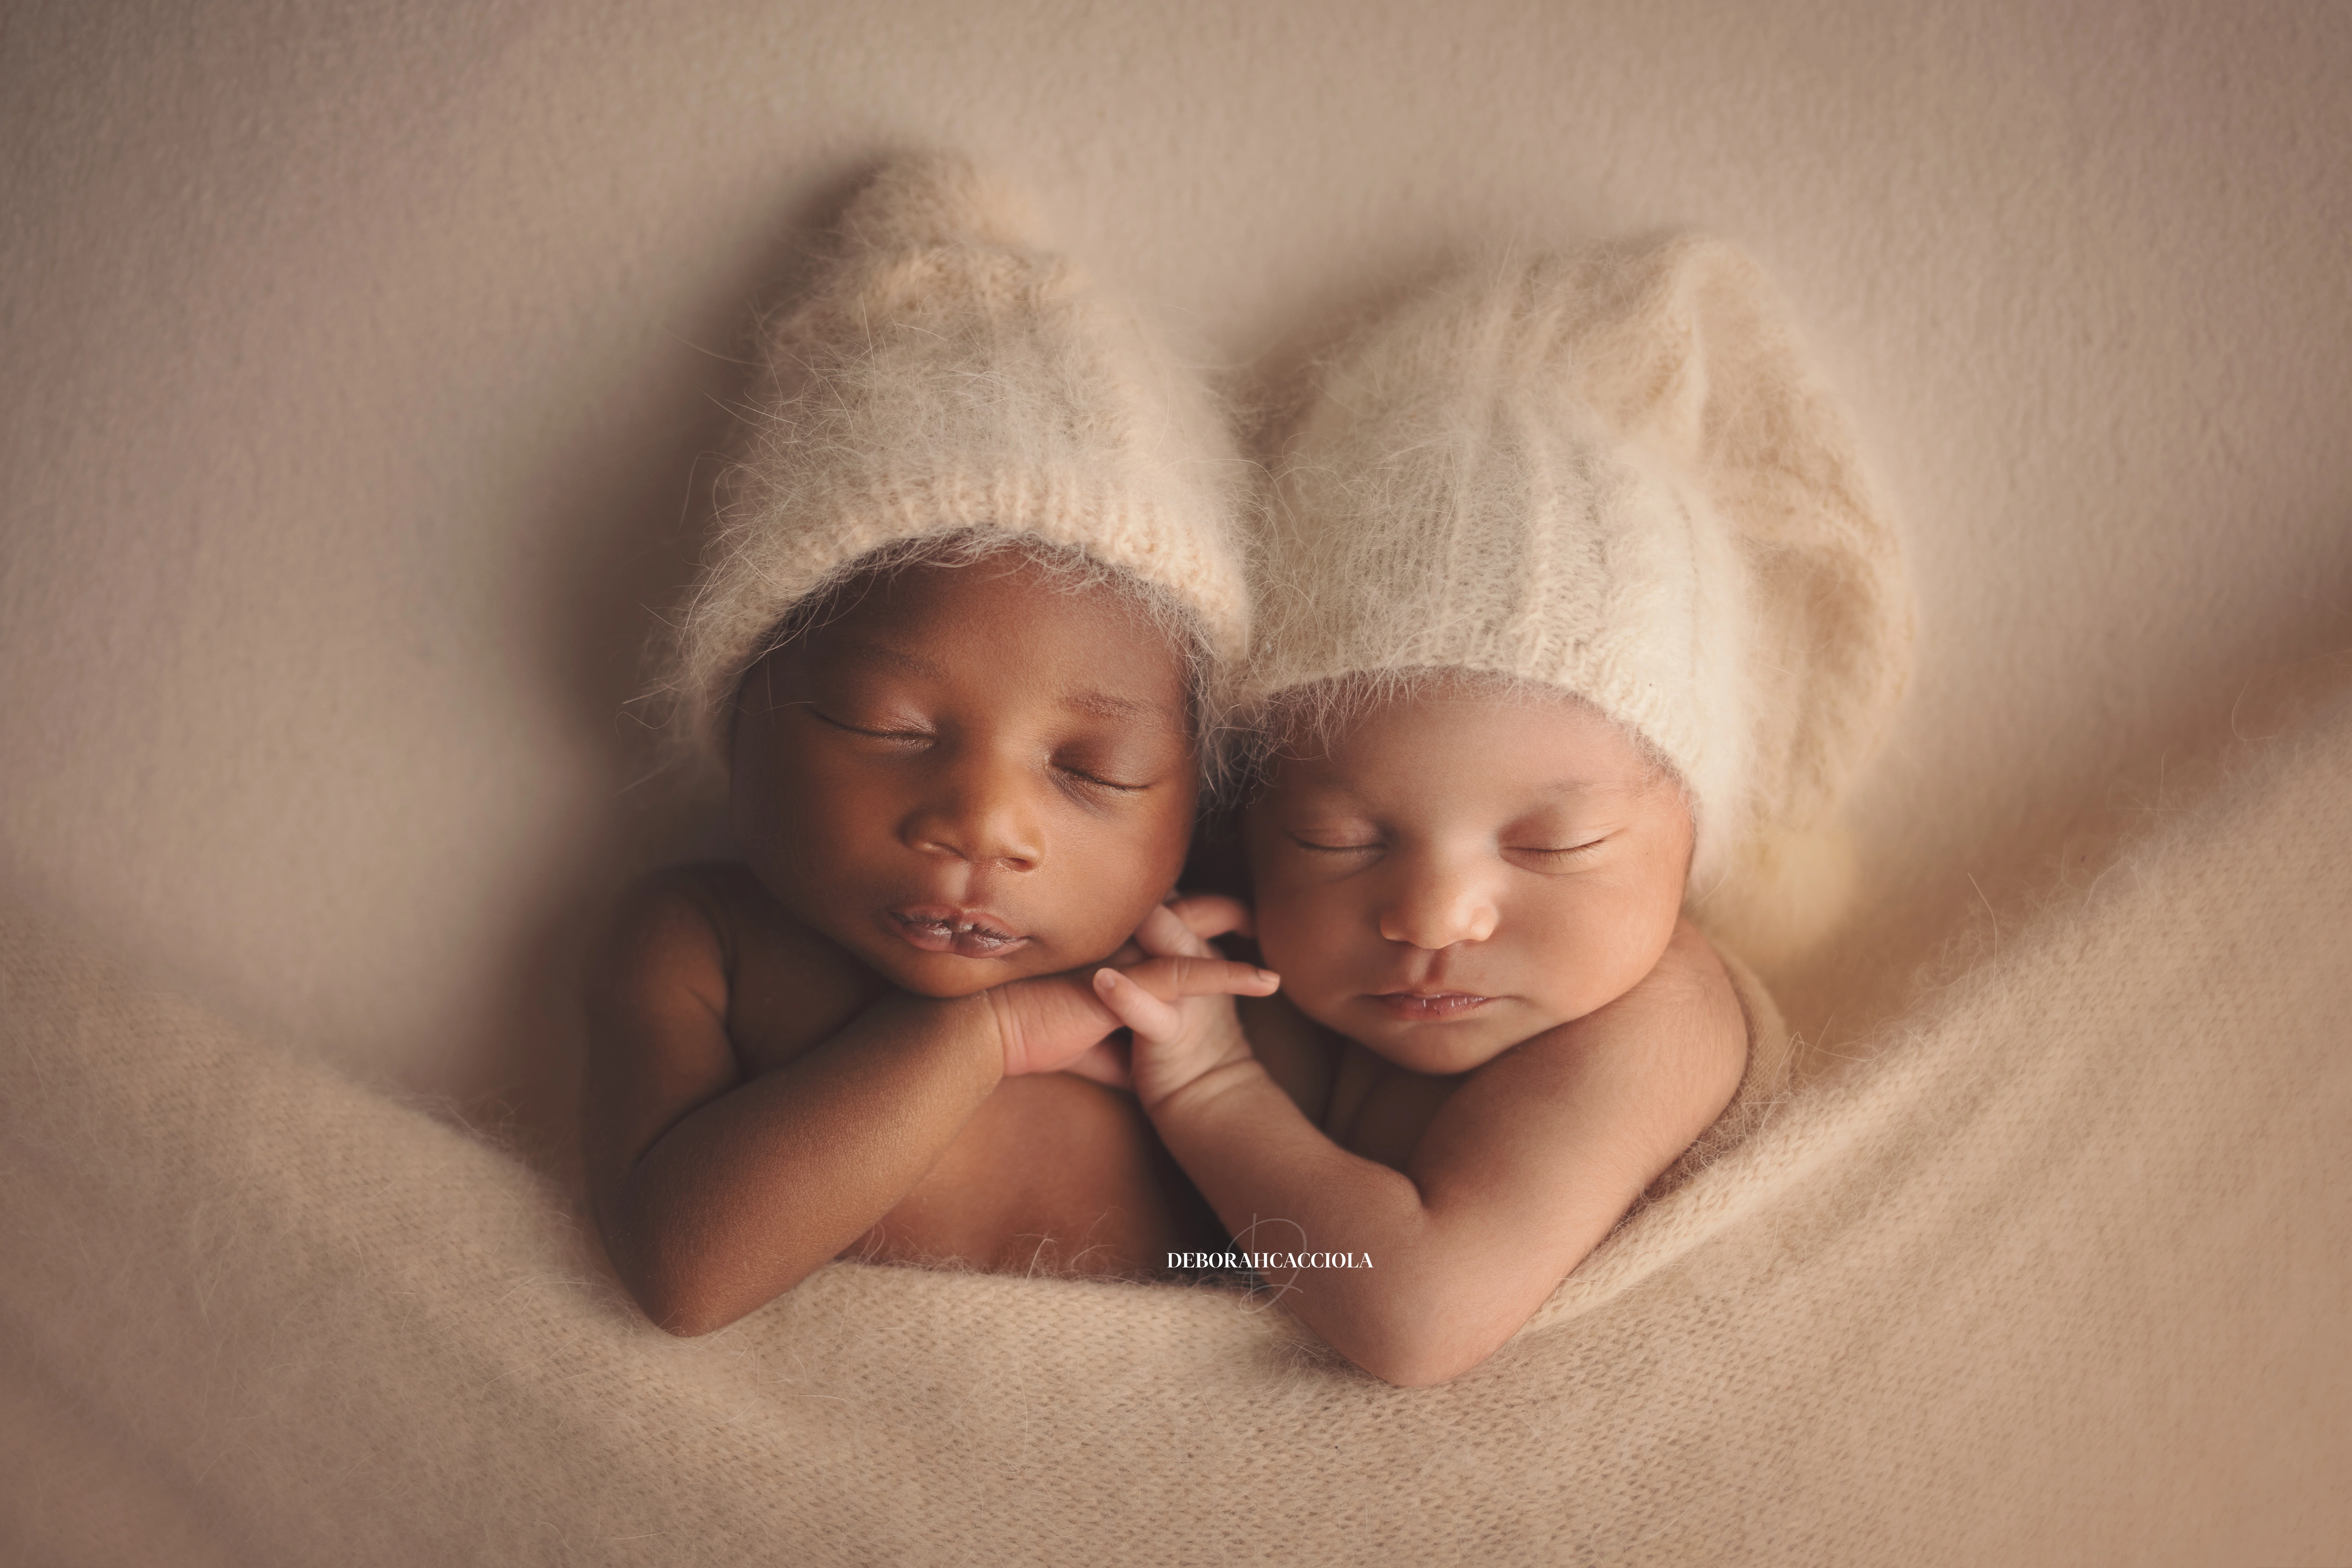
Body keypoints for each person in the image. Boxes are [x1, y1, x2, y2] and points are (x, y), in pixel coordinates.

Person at [1094, 237, 1913, 1385]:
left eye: (1553, 844)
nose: (1433, 915)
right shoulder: (1270, 975)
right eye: (1338, 840)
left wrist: (1210, 1089)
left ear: (1693, 843)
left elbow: (1418, 1314)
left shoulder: (1658, 1018)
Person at [584, 156, 1271, 1336]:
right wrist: (980, 1038)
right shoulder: (701, 943)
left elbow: (1345, 1285)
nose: (985, 826)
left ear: (1193, 806)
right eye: (886, 727)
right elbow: (681, 1275)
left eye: (1092, 771)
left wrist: (1224, 1090)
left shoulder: (1212, 987)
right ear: (745, 713)